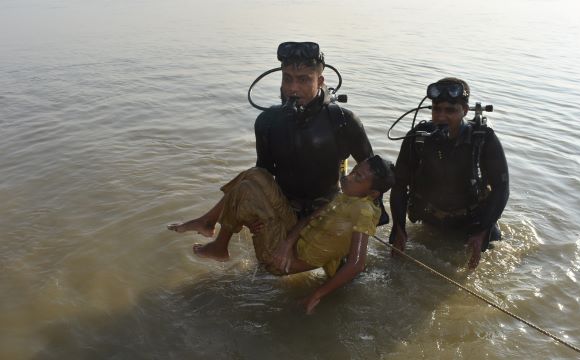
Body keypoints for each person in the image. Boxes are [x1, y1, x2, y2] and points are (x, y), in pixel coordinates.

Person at [168, 41, 376, 238]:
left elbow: (374, 172)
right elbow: (262, 174)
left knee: (341, 272)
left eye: (304, 79)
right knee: (272, 266)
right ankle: (213, 229)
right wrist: (249, 216)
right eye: (287, 78)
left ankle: (208, 222)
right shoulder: (267, 121)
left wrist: (366, 221)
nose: (293, 88)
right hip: (283, 206)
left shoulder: (343, 121)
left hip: (327, 205)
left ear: (319, 81)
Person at [188, 156, 395, 314]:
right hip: (289, 241)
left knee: (246, 190)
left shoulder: (363, 212)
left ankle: (219, 245)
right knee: (256, 174)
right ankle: (212, 231)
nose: (348, 176)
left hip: (278, 261)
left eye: (358, 177)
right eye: (354, 170)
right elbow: (309, 219)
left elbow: (357, 263)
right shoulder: (347, 195)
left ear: (373, 194)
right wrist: (287, 243)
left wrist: (317, 294)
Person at [389, 77, 509, 269]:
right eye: (437, 109)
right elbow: (400, 185)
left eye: (450, 110)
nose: (442, 116)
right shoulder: (418, 138)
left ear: (465, 111)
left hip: (473, 221)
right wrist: (399, 228)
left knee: (491, 261)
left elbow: (502, 188)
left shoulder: (484, 139)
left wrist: (482, 231)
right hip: (431, 218)